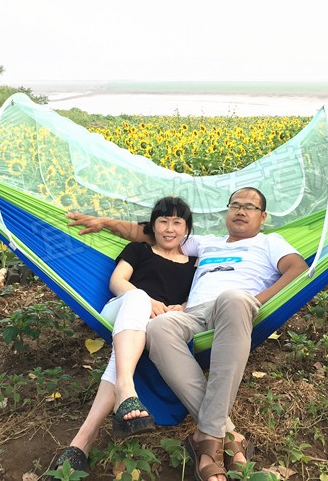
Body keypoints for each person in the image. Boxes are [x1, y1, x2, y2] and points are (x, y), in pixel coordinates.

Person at [67, 187, 308, 481]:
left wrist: (256, 301)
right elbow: (154, 233)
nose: (241, 211)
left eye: (250, 207)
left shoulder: (270, 242)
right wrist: (105, 223)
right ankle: (226, 435)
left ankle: (208, 443)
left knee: (233, 297)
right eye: (235, 205)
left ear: (263, 216)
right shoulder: (206, 243)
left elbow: (297, 268)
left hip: (235, 306)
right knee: (157, 326)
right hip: (192, 313)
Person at [50, 196, 197, 475]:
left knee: (126, 351)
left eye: (177, 222)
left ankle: (82, 441)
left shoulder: (195, 264)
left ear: (186, 229)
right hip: (121, 309)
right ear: (152, 226)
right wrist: (147, 300)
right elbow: (117, 281)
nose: (169, 228)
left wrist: (182, 307)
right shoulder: (139, 249)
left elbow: (198, 298)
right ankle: (126, 387)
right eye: (163, 221)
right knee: (138, 299)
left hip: (158, 327)